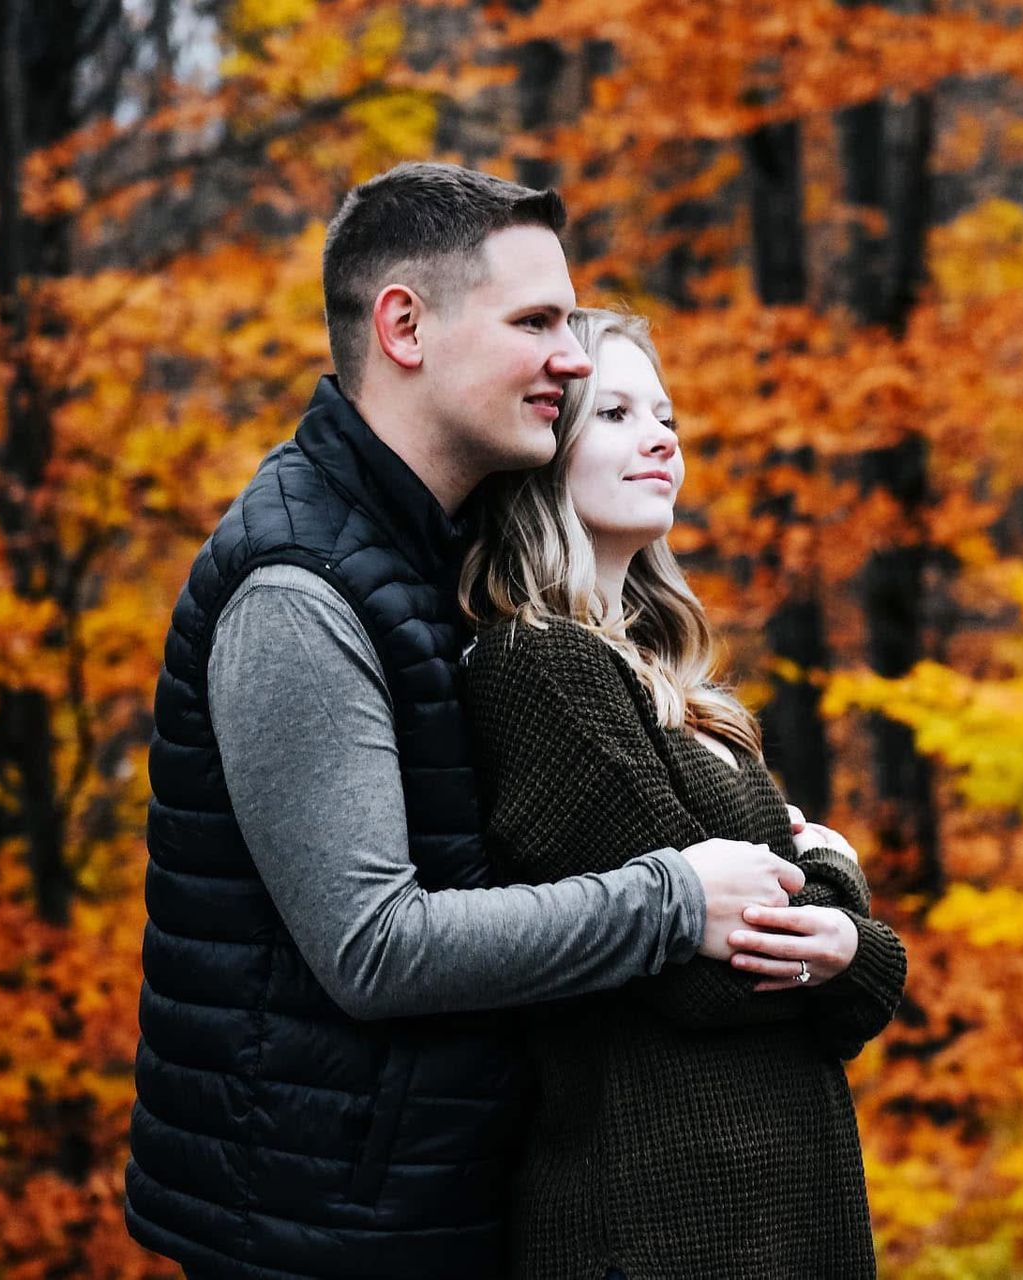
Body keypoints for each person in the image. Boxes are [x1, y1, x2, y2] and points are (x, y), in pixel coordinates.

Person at [124, 165, 807, 1280]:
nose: (574, 357)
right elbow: (375, 946)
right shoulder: (299, 587)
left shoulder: (444, 553)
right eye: (536, 321)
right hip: (326, 1235)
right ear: (405, 326)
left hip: (439, 1198)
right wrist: (676, 900)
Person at [460, 308, 909, 1279]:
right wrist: (832, 868)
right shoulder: (540, 668)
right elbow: (702, 967)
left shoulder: (680, 689)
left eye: (665, 413)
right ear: (542, 452)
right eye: (615, 413)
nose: (663, 435)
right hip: (660, 1221)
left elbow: (842, 993)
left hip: (777, 1211)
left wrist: (851, 947)